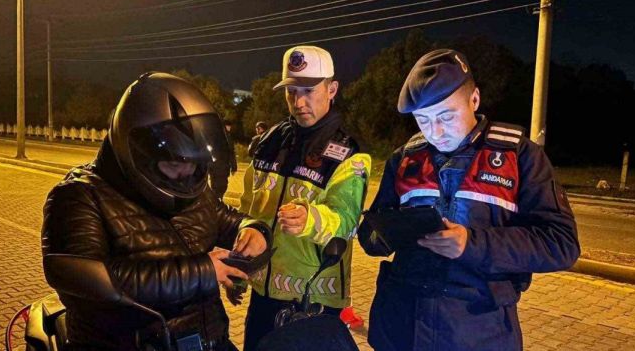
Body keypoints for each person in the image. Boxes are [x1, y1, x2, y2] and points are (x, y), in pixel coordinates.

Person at [359, 49, 580, 351]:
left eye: (446, 116)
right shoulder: (405, 158)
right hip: (402, 328)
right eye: (422, 120)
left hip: (477, 332)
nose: (435, 131)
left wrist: (472, 243)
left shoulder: (520, 156)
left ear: (474, 99)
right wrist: (386, 234)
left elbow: (561, 244)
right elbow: (371, 236)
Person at [41, 72, 271, 351]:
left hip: (209, 342)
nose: (187, 174)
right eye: (175, 164)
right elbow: (91, 283)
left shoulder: (191, 189)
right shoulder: (79, 197)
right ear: (139, 152)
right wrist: (202, 272)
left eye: (195, 164)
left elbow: (228, 220)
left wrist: (254, 230)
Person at [237, 45, 371, 350]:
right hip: (263, 297)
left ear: (332, 89)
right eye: (291, 92)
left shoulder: (349, 154)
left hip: (312, 303)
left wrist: (311, 219)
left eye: (309, 91)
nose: (298, 102)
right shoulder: (269, 142)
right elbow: (248, 209)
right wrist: (240, 267)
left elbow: (346, 222)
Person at [209, 119, 238, 200]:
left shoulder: (212, 134)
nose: (230, 128)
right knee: (221, 186)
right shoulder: (226, 137)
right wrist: (234, 167)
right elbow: (231, 152)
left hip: (213, 166)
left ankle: (215, 201)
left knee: (214, 186)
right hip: (222, 166)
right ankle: (217, 202)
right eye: (229, 126)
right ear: (226, 126)